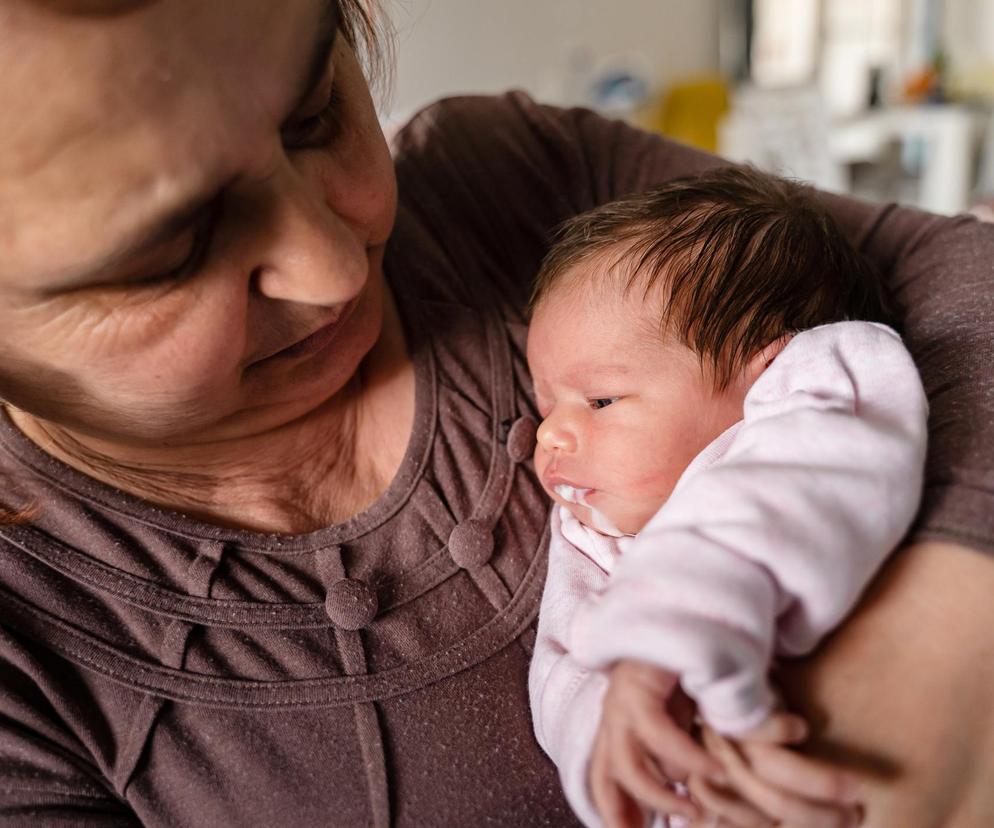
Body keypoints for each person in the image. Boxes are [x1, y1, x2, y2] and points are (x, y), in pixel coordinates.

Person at [0, 1, 992, 826]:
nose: (336, 267)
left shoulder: (526, 191)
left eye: (313, 115)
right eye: (170, 251)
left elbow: (960, 285)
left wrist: (910, 693)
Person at [525, 167, 929, 827]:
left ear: (769, 373)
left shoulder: (817, 410)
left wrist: (658, 650)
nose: (550, 434)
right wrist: (624, 739)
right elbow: (563, 665)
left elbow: (775, 500)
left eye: (600, 399)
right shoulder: (585, 533)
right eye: (546, 404)